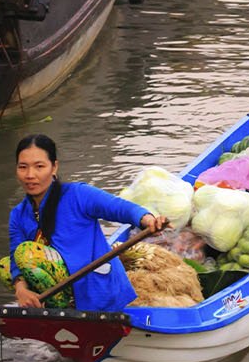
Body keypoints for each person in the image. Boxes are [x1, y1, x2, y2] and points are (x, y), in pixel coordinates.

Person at [9, 135, 166, 316]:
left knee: (25, 252)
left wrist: (147, 219)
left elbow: (118, 207)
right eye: (23, 167)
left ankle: (63, 308)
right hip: (59, 288)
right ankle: (51, 307)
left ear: (54, 167)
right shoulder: (18, 214)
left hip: (95, 290)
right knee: (5, 267)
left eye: (39, 166)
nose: (30, 175)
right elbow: (14, 259)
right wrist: (21, 290)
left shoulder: (77, 194)